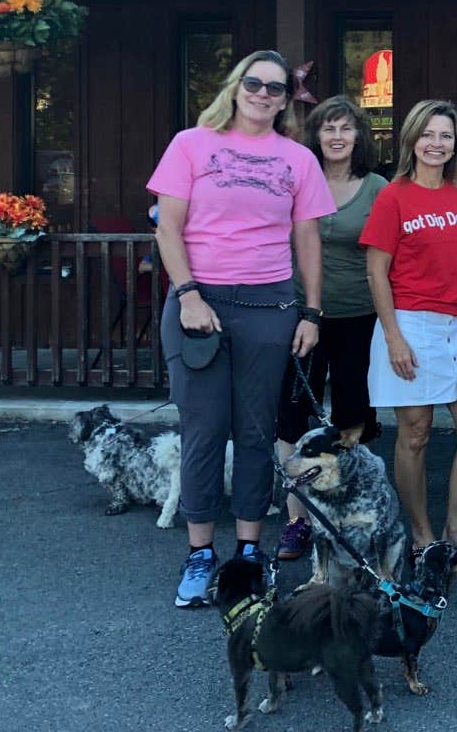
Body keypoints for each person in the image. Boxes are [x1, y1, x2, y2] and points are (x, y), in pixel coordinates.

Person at [147, 49, 333, 607]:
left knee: (256, 433)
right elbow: (167, 230)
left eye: (275, 89)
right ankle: (201, 551)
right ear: (236, 86)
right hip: (197, 305)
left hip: (269, 307)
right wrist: (188, 295)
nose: (263, 94)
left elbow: (307, 241)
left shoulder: (298, 159)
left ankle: (249, 552)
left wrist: (312, 311)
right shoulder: (190, 145)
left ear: (285, 101)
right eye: (254, 83)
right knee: (203, 433)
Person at [360, 99, 457, 566]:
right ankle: (423, 537)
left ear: (455, 145)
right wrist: (393, 337)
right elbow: (376, 272)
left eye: (445, 136)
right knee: (417, 433)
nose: (436, 144)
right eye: (428, 134)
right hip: (411, 323)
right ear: (412, 139)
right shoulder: (393, 195)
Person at [274, 95, 390, 563]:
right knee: (291, 413)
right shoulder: (296, 180)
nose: (338, 137)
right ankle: (297, 520)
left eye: (346, 128)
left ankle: (344, 512)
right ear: (316, 136)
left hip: (359, 316)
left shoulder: (378, 187)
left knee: (351, 416)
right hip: (299, 314)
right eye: (328, 128)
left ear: (359, 136)